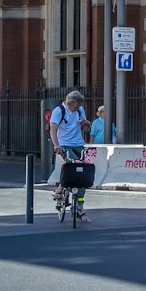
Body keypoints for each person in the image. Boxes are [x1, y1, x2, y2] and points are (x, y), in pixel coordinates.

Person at [49, 90, 91, 223]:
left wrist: (87, 124)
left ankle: (80, 208)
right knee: (71, 165)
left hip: (79, 144)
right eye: (76, 106)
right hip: (64, 144)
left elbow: (86, 129)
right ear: (70, 103)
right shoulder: (59, 111)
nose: (78, 108)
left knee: (83, 175)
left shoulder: (79, 110)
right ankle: (61, 188)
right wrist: (56, 145)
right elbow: (53, 129)